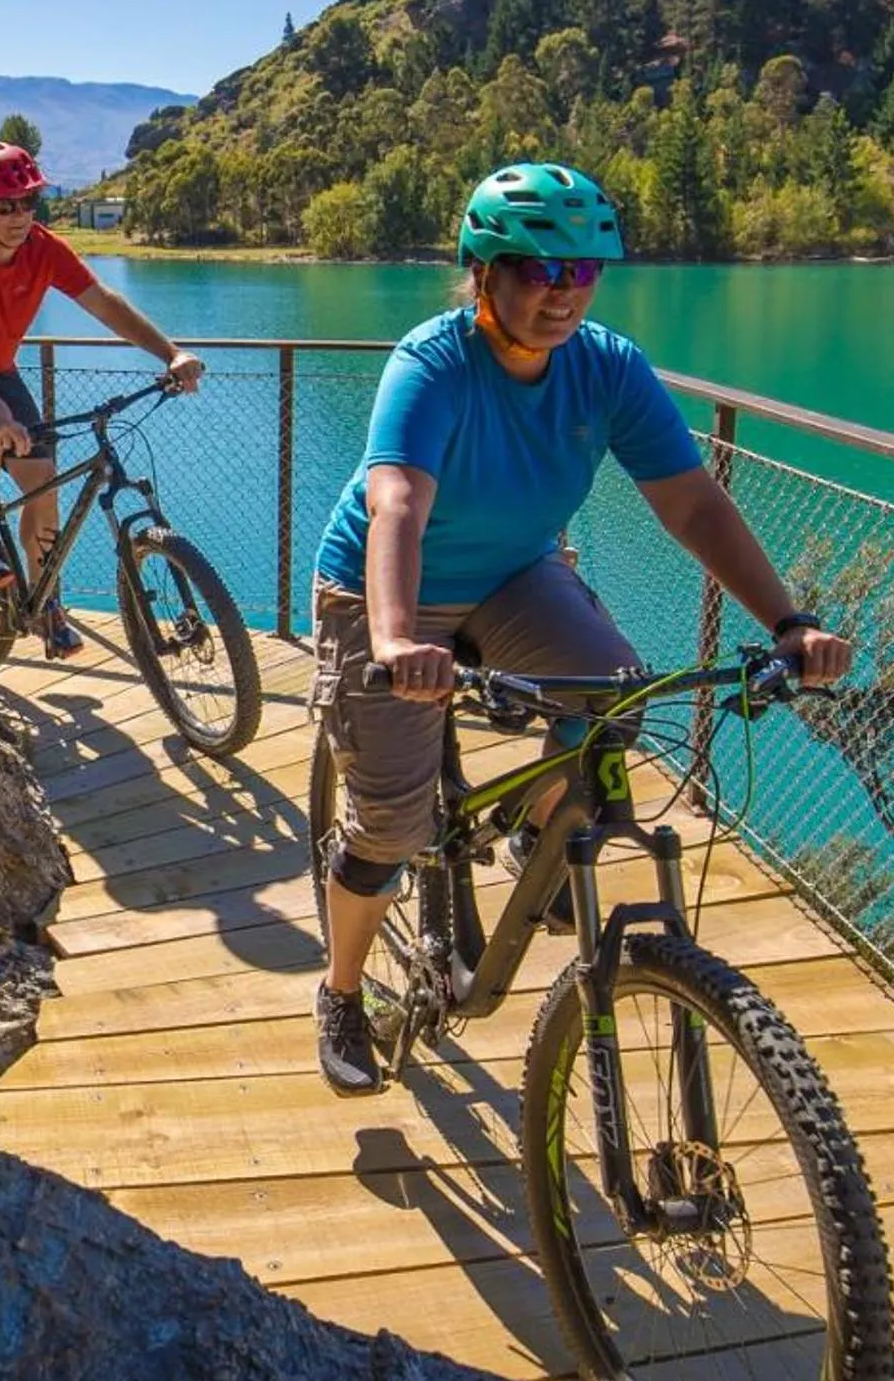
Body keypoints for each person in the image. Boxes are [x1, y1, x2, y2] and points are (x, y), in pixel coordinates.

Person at [306, 161, 852, 1095]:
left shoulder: (609, 367)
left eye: (584, 271)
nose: (562, 293)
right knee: (389, 828)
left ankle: (535, 833)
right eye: (537, 270)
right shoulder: (433, 362)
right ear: (484, 270)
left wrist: (790, 621)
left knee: (614, 691)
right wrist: (395, 639)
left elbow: (691, 503)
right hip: (386, 589)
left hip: (516, 572)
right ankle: (343, 991)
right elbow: (398, 496)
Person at [0, 140, 205, 658]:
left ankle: (47, 606)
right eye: (5, 206)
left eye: (28, 203)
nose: (19, 216)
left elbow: (104, 303)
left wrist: (169, 353)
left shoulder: (44, 249)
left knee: (43, 483)